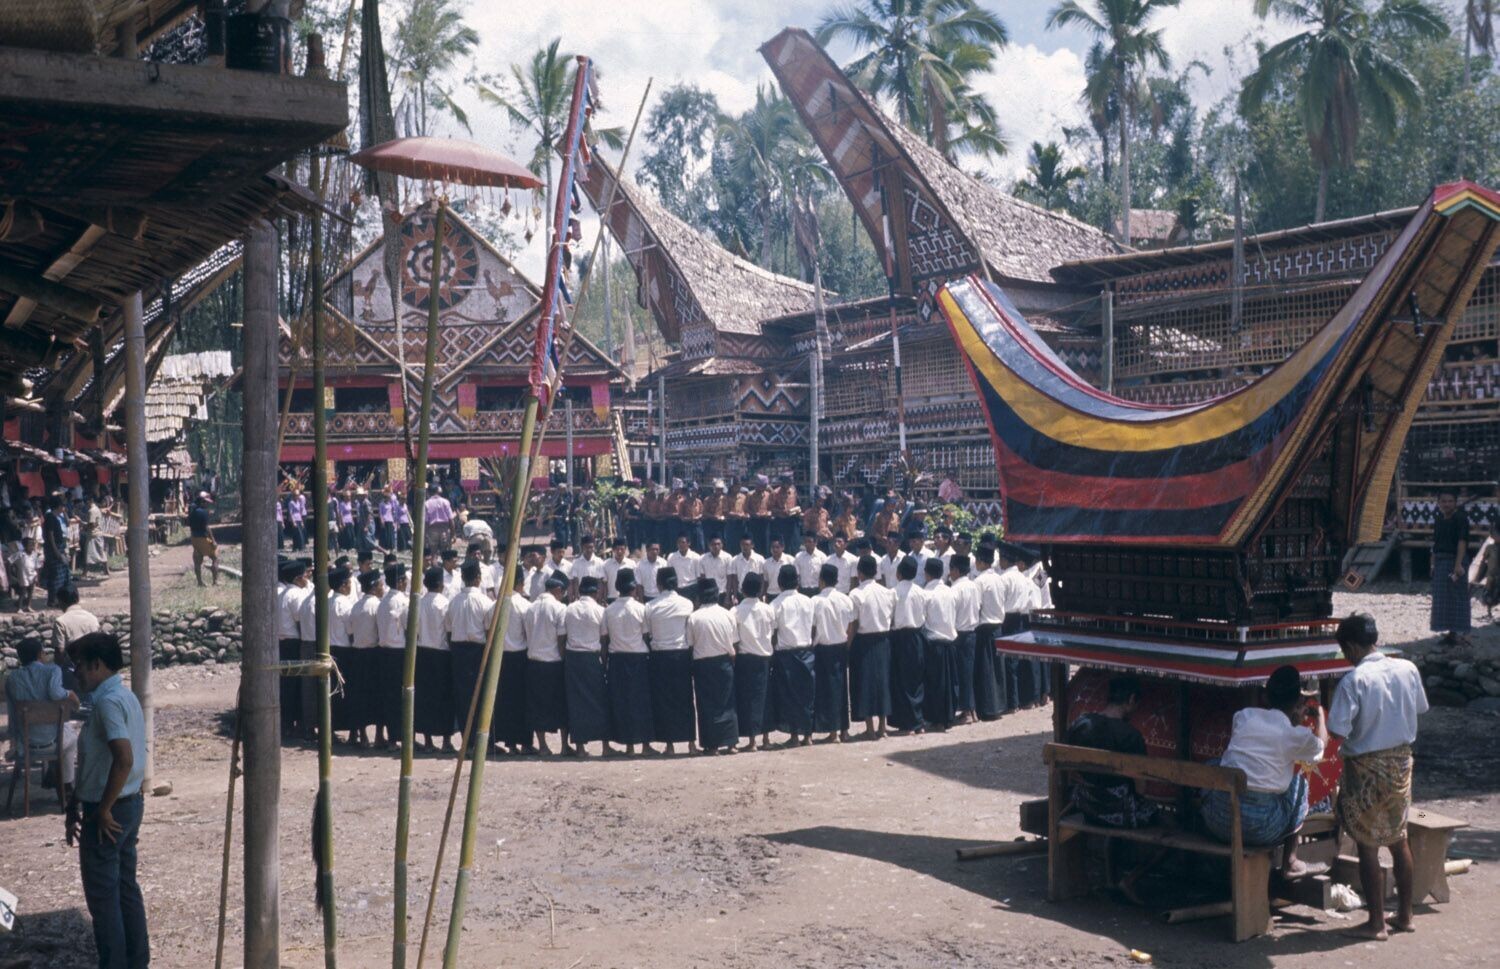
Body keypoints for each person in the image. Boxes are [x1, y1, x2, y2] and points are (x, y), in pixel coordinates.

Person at [1329, 612, 1429, 940]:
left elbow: (1337, 730)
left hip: (1365, 768)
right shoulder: (1407, 668)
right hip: (1400, 763)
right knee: (1399, 838)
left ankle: (1376, 923)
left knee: (1367, 844)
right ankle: (1405, 915)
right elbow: (1419, 708)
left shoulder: (1354, 680)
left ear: (1351, 646)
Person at [66, 632, 149, 969]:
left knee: (104, 899)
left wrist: (101, 810)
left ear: (96, 665)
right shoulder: (123, 696)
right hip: (127, 804)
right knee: (125, 889)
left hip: (110, 809)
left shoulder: (108, 703)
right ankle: (136, 961)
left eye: (79, 666)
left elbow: (123, 758)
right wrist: (76, 801)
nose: (76, 674)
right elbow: (100, 761)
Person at [1200, 665, 1327, 878]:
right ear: (1298, 701)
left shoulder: (1244, 716)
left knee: (1217, 764)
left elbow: (1260, 749)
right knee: (1299, 783)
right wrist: (1320, 717)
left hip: (1218, 821)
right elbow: (1320, 746)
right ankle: (1290, 860)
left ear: (1265, 697)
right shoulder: (1293, 734)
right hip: (1259, 829)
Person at [1064, 675, 1161, 902]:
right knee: (1173, 828)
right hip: (1118, 812)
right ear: (1131, 700)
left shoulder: (1081, 723)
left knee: (1120, 811)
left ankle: (1110, 880)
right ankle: (1131, 879)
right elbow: (1140, 788)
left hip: (1085, 804)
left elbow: (1070, 770)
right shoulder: (1131, 736)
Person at [6, 636, 79, 788]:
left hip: (26, 744)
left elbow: (12, 715)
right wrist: (71, 694)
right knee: (71, 737)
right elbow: (56, 693)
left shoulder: (12, 678)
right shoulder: (53, 670)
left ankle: (53, 771)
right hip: (52, 743)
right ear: (40, 654)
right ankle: (66, 784)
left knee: (58, 730)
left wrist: (13, 741)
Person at [645, 567, 696, 755]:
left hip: (660, 657)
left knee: (664, 700)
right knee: (686, 699)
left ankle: (670, 745)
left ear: (658, 584)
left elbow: (648, 633)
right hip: (681, 655)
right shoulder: (687, 604)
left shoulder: (650, 606)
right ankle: (691, 743)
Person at [446, 560, 495, 751]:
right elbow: (489, 632)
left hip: (459, 652)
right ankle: (481, 742)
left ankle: (470, 742)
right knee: (482, 696)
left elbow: (449, 632)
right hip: (478, 652)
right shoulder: (485, 602)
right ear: (478, 579)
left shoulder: (453, 603)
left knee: (463, 697)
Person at [603, 568, 653, 755]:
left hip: (617, 659)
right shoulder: (641, 609)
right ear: (633, 588)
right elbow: (646, 636)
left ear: (617, 587)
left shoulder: (608, 611)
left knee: (622, 702)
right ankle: (645, 745)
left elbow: (605, 639)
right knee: (641, 702)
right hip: (638, 658)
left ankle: (629, 745)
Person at [687, 577, 739, 755]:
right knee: (727, 702)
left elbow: (690, 644)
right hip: (724, 662)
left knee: (706, 705)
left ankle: (712, 745)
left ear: (699, 596)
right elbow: (735, 641)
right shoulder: (727, 614)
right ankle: (731, 743)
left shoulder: (694, 618)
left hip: (703, 664)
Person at [562, 576, 612, 756]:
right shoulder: (600, 611)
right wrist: (603, 663)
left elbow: (563, 636)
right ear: (596, 592)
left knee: (576, 703)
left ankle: (580, 748)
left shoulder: (569, 609)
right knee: (600, 701)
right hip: (592, 658)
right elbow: (604, 640)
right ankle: (605, 746)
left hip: (573, 658)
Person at [848, 554, 894, 740]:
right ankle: (882, 727)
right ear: (875, 572)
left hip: (864, 641)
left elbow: (854, 624)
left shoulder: (856, 594)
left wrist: (848, 645)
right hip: (883, 640)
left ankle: (870, 728)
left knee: (865, 683)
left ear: (859, 573)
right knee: (883, 682)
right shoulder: (887, 592)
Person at [771, 563, 817, 747]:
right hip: (806, 652)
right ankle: (808, 735)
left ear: (779, 582)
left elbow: (774, 633)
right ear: (797, 581)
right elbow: (813, 627)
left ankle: (794, 736)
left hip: (786, 655)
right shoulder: (808, 601)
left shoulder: (775, 604)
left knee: (789, 696)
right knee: (807, 695)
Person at [524, 574, 569, 755]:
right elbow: (561, 639)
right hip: (554, 662)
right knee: (561, 705)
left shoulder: (530, 608)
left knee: (538, 705)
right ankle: (564, 746)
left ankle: (543, 745)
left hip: (534, 662)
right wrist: (563, 659)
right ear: (558, 590)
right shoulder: (560, 608)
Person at [732, 573, 776, 751]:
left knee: (748, 699)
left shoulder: (735, 611)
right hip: (764, 658)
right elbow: (772, 633)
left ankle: (752, 741)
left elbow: (734, 639)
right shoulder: (768, 609)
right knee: (765, 697)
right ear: (760, 590)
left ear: (742, 589)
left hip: (745, 659)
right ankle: (766, 738)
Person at [812, 562, 854, 744]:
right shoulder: (845, 599)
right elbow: (851, 626)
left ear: (821, 580)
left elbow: (813, 628)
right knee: (842, 689)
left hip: (823, 648)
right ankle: (844, 730)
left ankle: (833, 731)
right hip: (841, 646)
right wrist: (847, 644)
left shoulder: (816, 601)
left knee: (826, 690)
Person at [492, 568, 533, 755]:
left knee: (505, 700)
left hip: (501, 657)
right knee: (521, 700)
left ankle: (510, 742)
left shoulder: (496, 605)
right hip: (519, 656)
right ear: (520, 583)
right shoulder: (524, 606)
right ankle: (524, 742)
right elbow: (528, 633)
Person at [413, 566, 454, 752]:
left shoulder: (418, 604)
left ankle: (428, 740)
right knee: (445, 697)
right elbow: (449, 630)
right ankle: (446, 741)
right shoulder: (444, 604)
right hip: (441, 653)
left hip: (422, 653)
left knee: (425, 698)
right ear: (440, 585)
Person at [375, 563, 410, 749]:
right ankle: (399, 736)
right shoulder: (402, 601)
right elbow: (408, 627)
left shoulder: (382, 602)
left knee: (389, 696)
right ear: (401, 581)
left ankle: (392, 737)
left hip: (384, 651)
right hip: (398, 652)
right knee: (401, 697)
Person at [1430, 491, 1471, 645]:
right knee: (1443, 598)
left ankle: (1462, 635)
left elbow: (1462, 541)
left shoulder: (1460, 518)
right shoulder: (1439, 519)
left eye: (1450, 501)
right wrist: (1432, 563)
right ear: (1439, 503)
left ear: (1455, 502)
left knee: (1458, 597)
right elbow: (1435, 542)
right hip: (1441, 560)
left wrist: (1458, 564)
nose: (1447, 504)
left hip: (1455, 560)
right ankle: (1451, 634)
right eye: (1444, 501)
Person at [971, 545, 1006, 719]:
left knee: (985, 669)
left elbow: (977, 606)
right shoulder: (999, 579)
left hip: (984, 628)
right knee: (997, 669)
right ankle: (999, 706)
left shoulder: (979, 582)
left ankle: (987, 708)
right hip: (998, 626)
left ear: (980, 561)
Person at [920, 558, 956, 730]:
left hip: (933, 642)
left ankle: (936, 718)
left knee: (934, 683)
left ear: (926, 573)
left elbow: (922, 618)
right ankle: (948, 716)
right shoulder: (950, 591)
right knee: (948, 682)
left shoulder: (926, 594)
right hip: (949, 641)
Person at [948, 555, 979, 724]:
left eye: (951, 569)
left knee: (961, 673)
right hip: (972, 632)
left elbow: (951, 613)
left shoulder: (955, 589)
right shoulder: (974, 586)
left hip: (959, 633)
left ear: (956, 570)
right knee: (969, 672)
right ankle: (971, 710)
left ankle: (967, 711)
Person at [53, 582, 101, 654]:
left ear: (61, 601)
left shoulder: (60, 622)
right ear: (78, 599)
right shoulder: (93, 618)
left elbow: (59, 652)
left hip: (73, 660)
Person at [43, 493, 71, 607]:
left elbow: (67, 523)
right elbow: (50, 537)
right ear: (58, 506)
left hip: (59, 547)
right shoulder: (50, 517)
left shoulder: (55, 517)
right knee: (55, 576)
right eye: (62, 506)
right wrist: (56, 552)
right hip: (53, 549)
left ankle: (61, 599)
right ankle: (53, 600)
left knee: (63, 575)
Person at [188, 493, 218, 587]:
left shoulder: (192, 512)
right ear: (202, 502)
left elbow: (190, 526)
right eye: (206, 502)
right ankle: (215, 581)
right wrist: (213, 541)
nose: (207, 504)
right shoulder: (204, 512)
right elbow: (207, 528)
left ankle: (200, 582)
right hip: (205, 539)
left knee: (197, 560)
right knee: (215, 556)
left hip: (194, 539)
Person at [568, 534, 606, 600]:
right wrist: (576, 597)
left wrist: (599, 599)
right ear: (582, 547)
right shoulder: (576, 563)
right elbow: (575, 582)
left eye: (591, 547)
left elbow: (600, 582)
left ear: (594, 547)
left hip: (595, 597)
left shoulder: (599, 562)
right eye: (586, 547)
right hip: (581, 597)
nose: (589, 550)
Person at [728, 536, 763, 601]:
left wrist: (761, 595)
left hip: (756, 594)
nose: (745, 547)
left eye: (747, 545)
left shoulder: (760, 559)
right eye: (742, 545)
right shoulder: (735, 560)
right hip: (741, 594)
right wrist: (735, 596)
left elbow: (762, 578)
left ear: (752, 545)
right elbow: (735, 580)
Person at [601, 537, 636, 604]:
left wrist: (634, 599)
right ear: (613, 550)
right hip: (611, 598)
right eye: (617, 549)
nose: (619, 551)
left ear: (625, 549)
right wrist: (605, 600)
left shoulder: (632, 564)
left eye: (622, 549)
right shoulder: (606, 564)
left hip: (627, 599)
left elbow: (634, 584)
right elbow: (604, 584)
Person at [698, 535, 732, 603]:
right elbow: (702, 578)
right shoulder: (702, 559)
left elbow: (730, 578)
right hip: (709, 594)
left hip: (723, 593)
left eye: (718, 544)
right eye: (713, 544)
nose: (716, 546)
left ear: (722, 545)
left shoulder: (728, 558)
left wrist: (728, 596)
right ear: (709, 545)